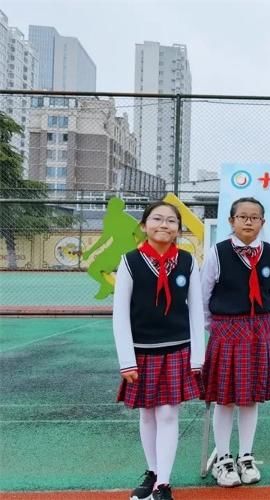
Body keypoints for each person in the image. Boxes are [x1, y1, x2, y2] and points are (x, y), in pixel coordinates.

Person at [113, 201, 204, 500]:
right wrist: (127, 360)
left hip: (177, 349)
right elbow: (120, 314)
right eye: (157, 219)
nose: (164, 225)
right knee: (147, 415)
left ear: (179, 228)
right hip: (141, 351)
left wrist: (197, 357)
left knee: (167, 415)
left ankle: (163, 483)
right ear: (144, 225)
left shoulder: (188, 262)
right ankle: (152, 472)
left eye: (171, 221)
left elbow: (195, 312)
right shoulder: (129, 261)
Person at [202, 197, 270, 488]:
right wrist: (214, 326)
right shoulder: (218, 252)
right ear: (231, 221)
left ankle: (245, 456)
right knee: (224, 399)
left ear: (263, 222)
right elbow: (204, 293)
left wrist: (257, 315)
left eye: (255, 217)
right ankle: (223, 460)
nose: (248, 222)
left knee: (250, 398)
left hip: (258, 329)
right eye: (242, 217)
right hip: (225, 330)